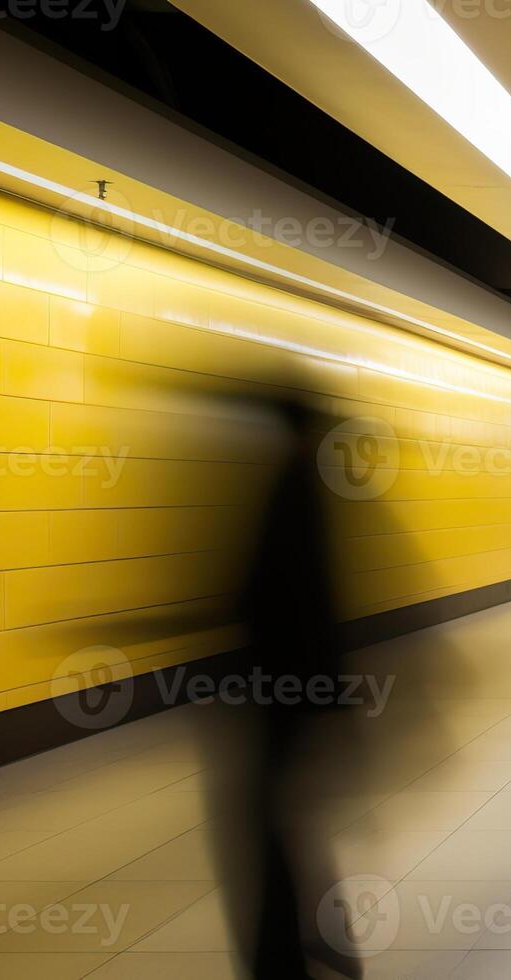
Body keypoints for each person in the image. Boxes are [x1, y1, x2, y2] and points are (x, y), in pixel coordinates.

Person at [210, 391, 361, 979]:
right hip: (291, 685)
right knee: (284, 817)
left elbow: (301, 595)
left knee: (274, 819)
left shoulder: (293, 487)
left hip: (284, 687)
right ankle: (313, 942)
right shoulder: (305, 482)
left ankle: (301, 949)